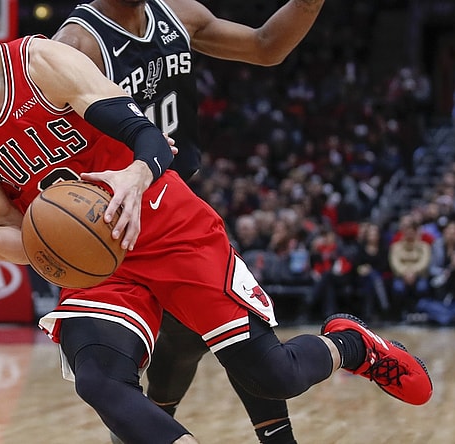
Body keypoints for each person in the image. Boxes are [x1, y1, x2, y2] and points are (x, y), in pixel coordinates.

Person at [0, 2, 433, 443]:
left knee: (272, 376)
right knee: (99, 381)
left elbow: (148, 137)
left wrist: (134, 175)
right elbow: (29, 243)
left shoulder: (41, 60)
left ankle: (353, 345)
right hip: (96, 260)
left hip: (164, 221)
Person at [53, 2, 324, 440]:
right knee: (132, 370)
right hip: (116, 221)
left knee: (233, 342)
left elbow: (266, 45)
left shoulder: (180, 12)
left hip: (176, 205)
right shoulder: (75, 44)